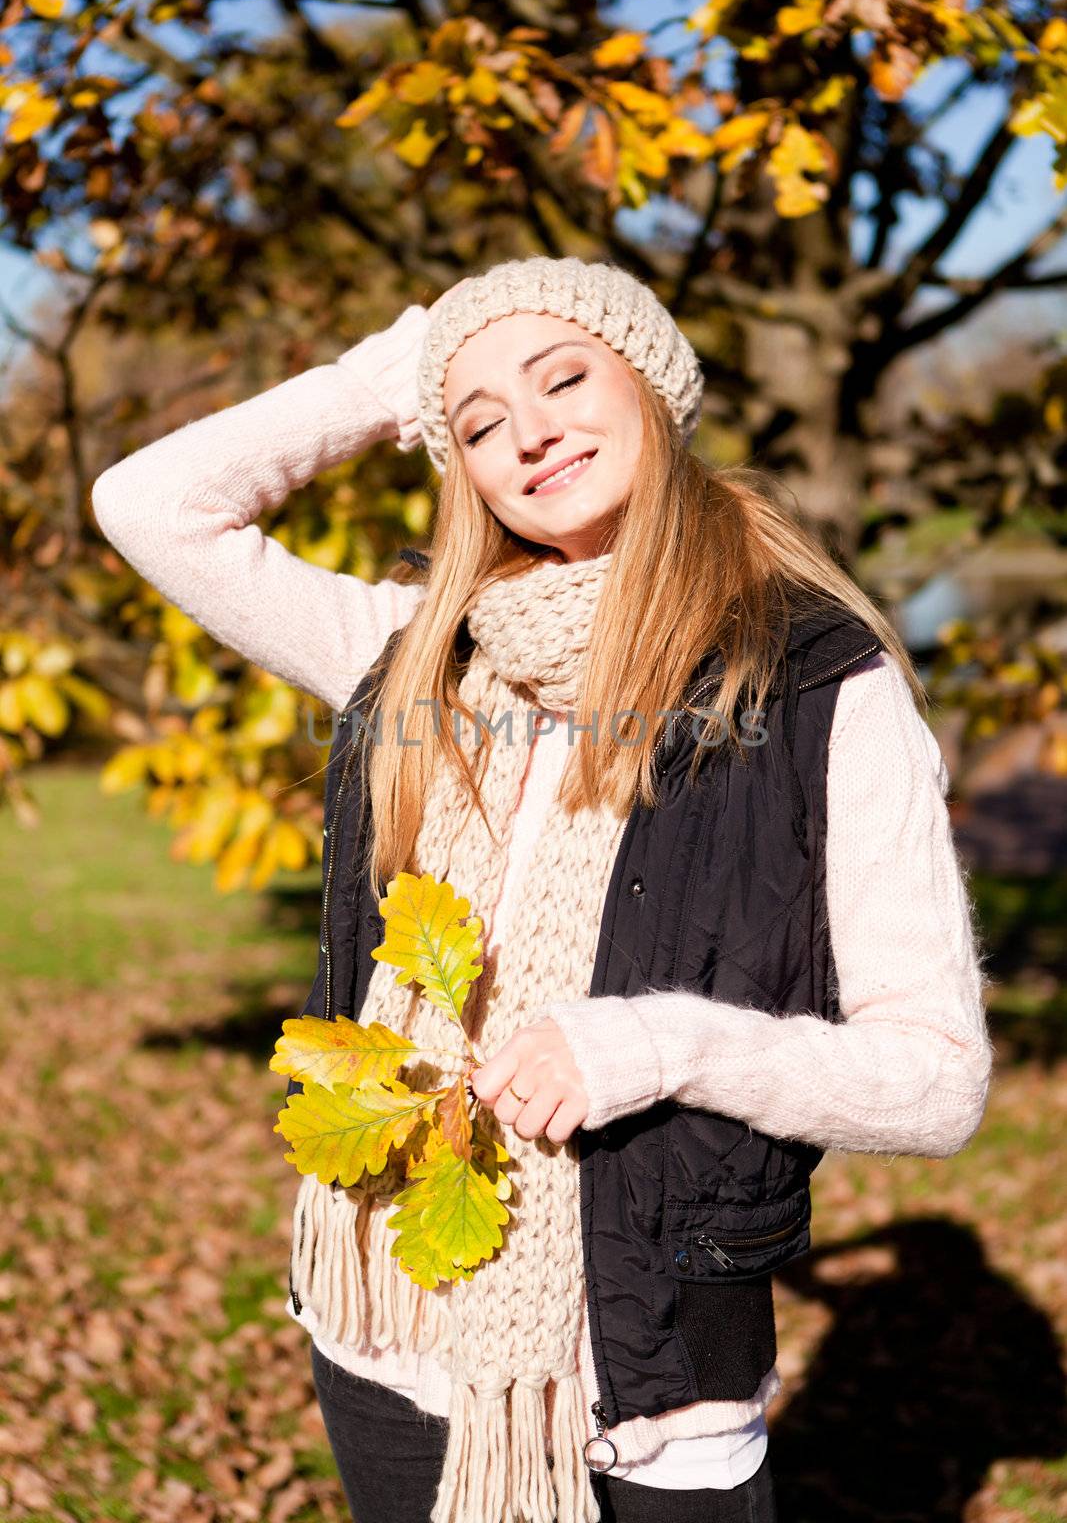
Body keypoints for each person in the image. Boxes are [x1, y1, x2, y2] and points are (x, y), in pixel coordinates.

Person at [91, 254, 994, 1523]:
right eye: (475, 420)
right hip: (386, 1337)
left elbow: (935, 1078)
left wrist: (651, 1043)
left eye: (563, 374)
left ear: (651, 387)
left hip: (647, 1382)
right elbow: (149, 503)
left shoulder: (814, 690)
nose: (528, 431)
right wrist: (384, 374)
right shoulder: (412, 656)